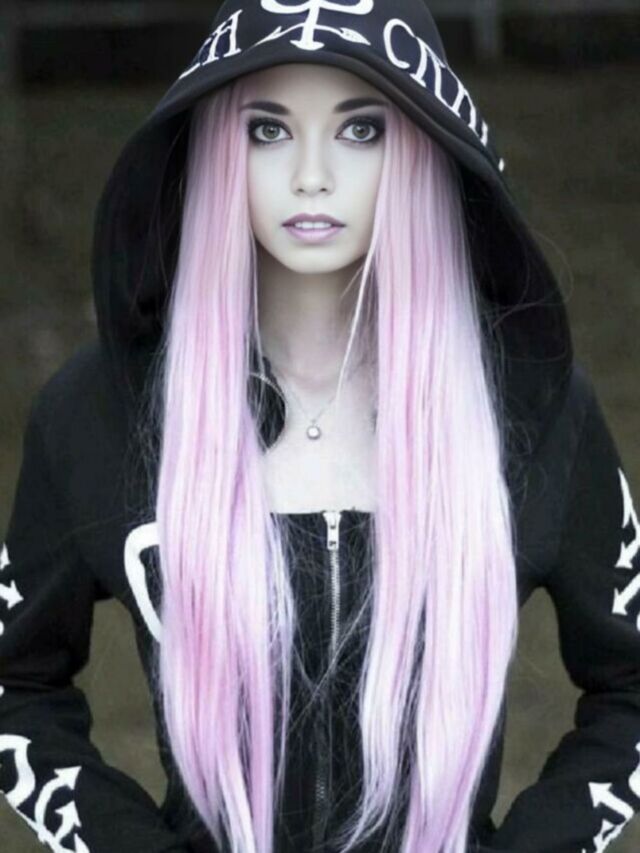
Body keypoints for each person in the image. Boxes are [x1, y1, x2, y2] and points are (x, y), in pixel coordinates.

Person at [1, 1, 639, 851]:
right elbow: (17, 683)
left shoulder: (529, 408)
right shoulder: (99, 410)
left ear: (420, 146)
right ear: (217, 150)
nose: (310, 175)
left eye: (360, 129)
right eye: (267, 130)